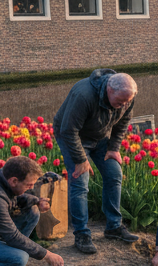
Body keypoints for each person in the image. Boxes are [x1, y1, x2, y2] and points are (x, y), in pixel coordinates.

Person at [53, 70, 138, 255]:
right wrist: (81, 159)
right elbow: (68, 130)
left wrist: (114, 147)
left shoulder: (127, 97)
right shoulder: (83, 95)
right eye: (119, 102)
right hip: (73, 136)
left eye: (126, 102)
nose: (122, 106)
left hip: (100, 137)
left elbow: (123, 122)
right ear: (109, 89)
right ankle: (81, 234)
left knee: (114, 174)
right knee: (80, 181)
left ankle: (114, 227)